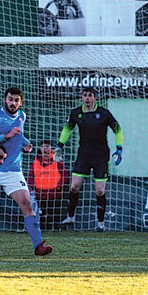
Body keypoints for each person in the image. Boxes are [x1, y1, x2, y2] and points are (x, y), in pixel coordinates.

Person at [0, 86, 52, 255]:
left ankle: (38, 246)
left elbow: (17, 135)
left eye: (16, 100)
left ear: (21, 102)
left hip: (13, 170)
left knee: (26, 204)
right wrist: (6, 136)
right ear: (4, 99)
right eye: (10, 99)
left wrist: (24, 143)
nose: (13, 103)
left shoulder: (21, 116)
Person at [57, 86, 124, 231]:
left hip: (101, 157)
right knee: (74, 187)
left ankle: (100, 224)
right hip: (83, 156)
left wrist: (119, 149)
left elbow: (118, 130)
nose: (87, 98)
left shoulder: (104, 114)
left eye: (90, 95)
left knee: (100, 191)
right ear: (82, 97)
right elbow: (67, 129)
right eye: (85, 95)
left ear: (95, 98)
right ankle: (70, 217)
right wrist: (60, 145)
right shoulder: (76, 113)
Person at [27, 140, 68, 231]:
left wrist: (59, 187)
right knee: (42, 215)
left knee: (55, 213)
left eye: (48, 146)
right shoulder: (35, 162)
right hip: (40, 194)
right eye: (43, 146)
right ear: (40, 149)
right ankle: (43, 228)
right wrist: (34, 188)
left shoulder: (57, 161)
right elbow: (30, 176)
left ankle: (56, 228)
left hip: (55, 194)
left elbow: (65, 175)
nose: (46, 148)